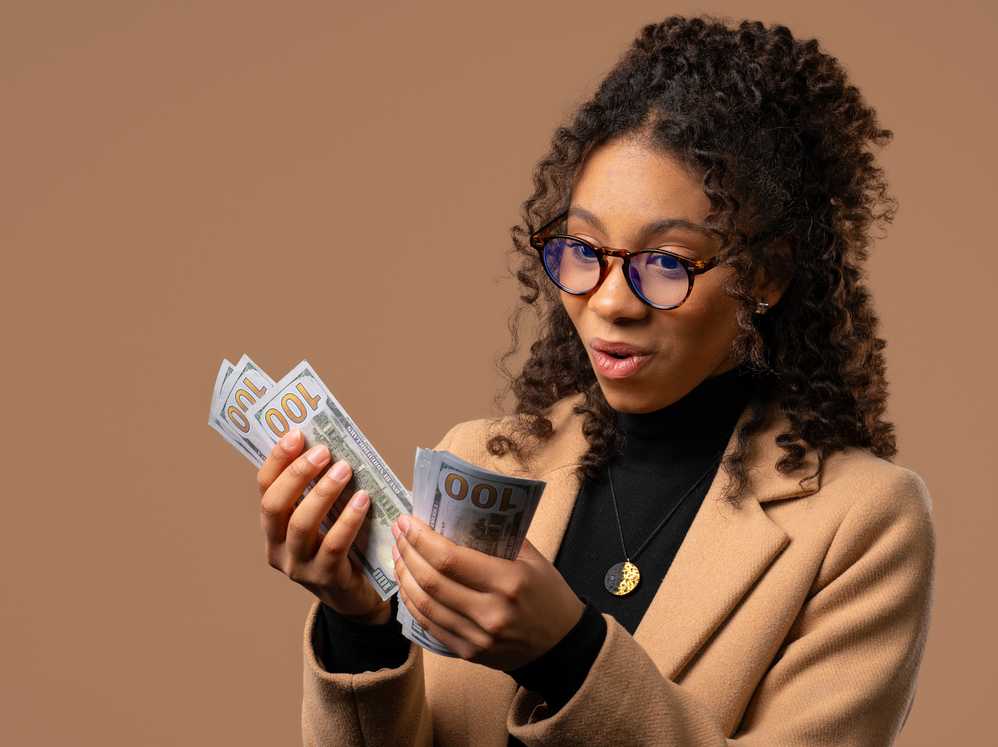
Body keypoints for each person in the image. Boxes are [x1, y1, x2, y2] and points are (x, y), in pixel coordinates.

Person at [256, 14, 935, 746]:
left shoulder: (862, 524)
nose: (610, 300)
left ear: (765, 275)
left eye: (668, 261)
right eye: (583, 248)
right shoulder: (482, 459)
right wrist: (359, 625)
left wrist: (569, 654)